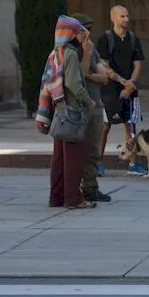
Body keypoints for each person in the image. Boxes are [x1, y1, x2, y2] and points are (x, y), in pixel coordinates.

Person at [37, 16, 97, 210]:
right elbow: (73, 83)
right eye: (80, 31)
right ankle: (73, 198)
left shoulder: (56, 53)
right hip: (72, 111)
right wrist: (88, 101)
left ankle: (56, 197)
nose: (83, 35)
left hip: (60, 110)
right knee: (74, 157)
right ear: (72, 34)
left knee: (60, 157)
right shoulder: (70, 53)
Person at [97, 5, 147, 175]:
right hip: (110, 91)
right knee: (105, 126)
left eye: (127, 16)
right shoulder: (105, 39)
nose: (126, 19)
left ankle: (133, 164)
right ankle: (97, 163)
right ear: (113, 18)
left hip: (130, 90)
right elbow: (103, 65)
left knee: (131, 127)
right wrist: (121, 81)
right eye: (122, 16)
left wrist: (131, 83)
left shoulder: (133, 39)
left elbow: (138, 64)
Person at [71, 13, 114, 203]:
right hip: (77, 107)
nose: (88, 32)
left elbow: (104, 77)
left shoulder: (92, 48)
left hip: (95, 104)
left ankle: (90, 186)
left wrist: (88, 74)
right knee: (76, 150)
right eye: (84, 28)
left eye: (90, 28)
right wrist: (86, 58)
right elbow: (76, 77)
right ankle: (73, 188)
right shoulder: (71, 51)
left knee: (94, 150)